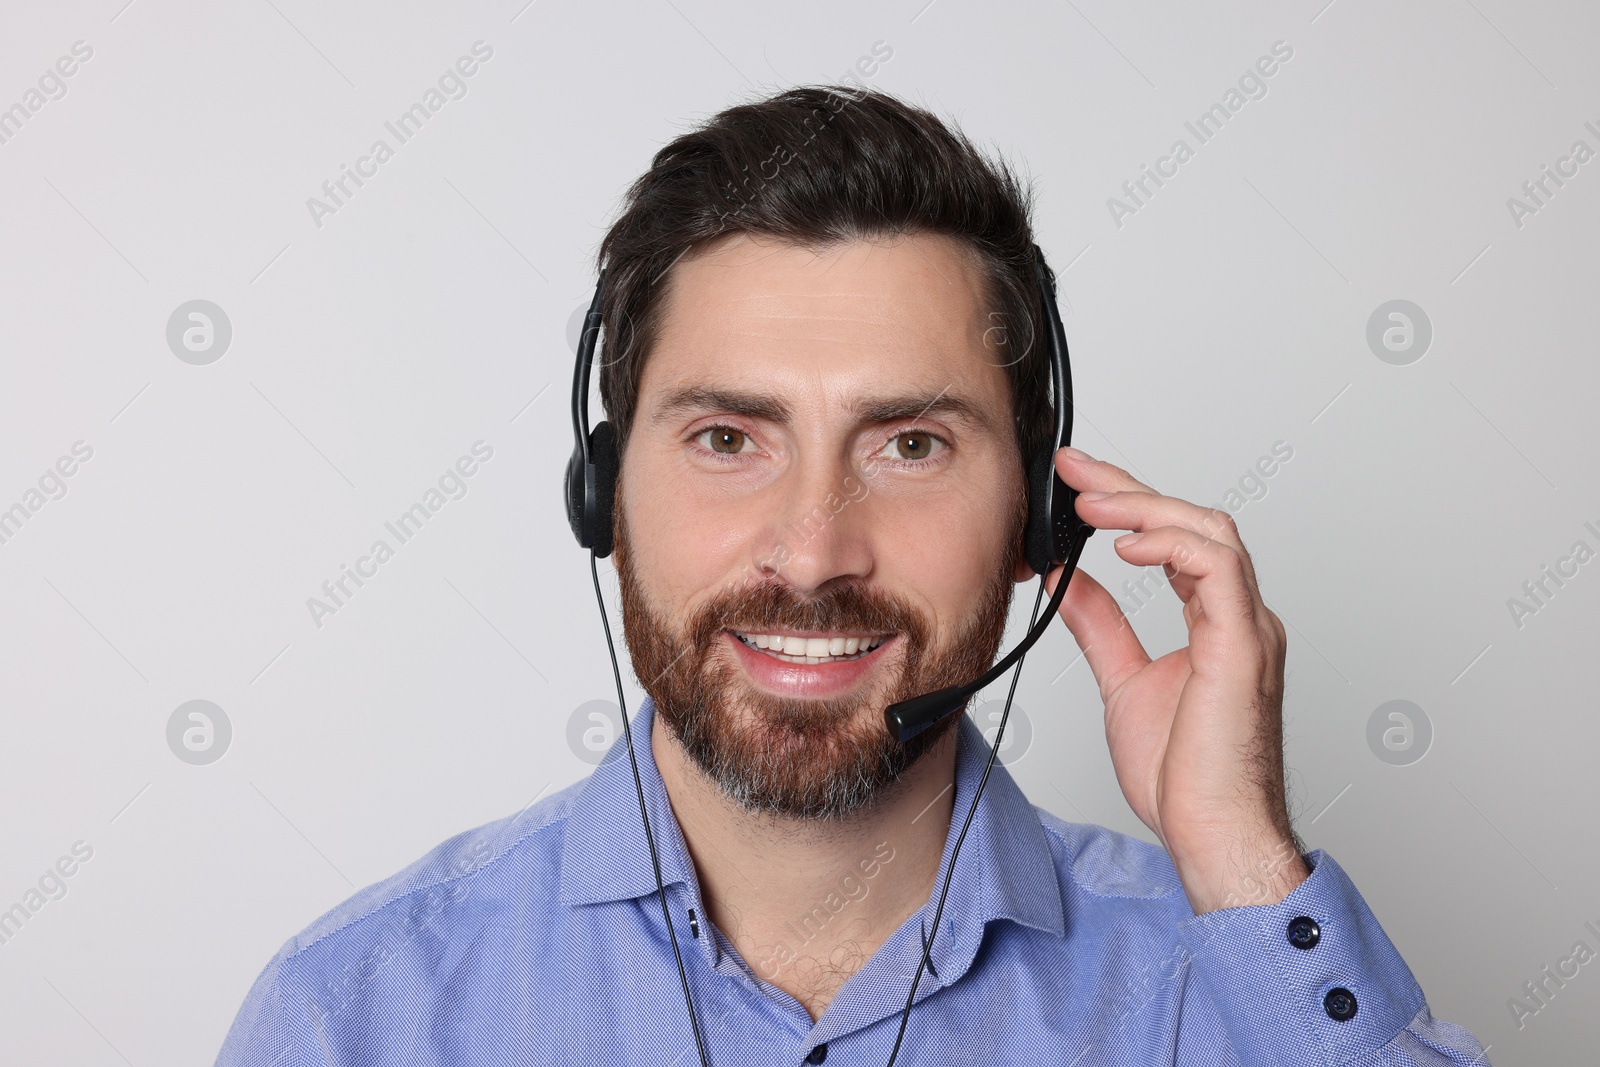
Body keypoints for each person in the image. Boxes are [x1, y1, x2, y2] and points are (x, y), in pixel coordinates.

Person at [216, 86, 1488, 1066]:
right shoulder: (361, 1011)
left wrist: (1243, 863)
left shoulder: (1226, 989)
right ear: (605, 496)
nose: (814, 549)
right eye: (728, 439)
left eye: (911, 443)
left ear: (1043, 514)